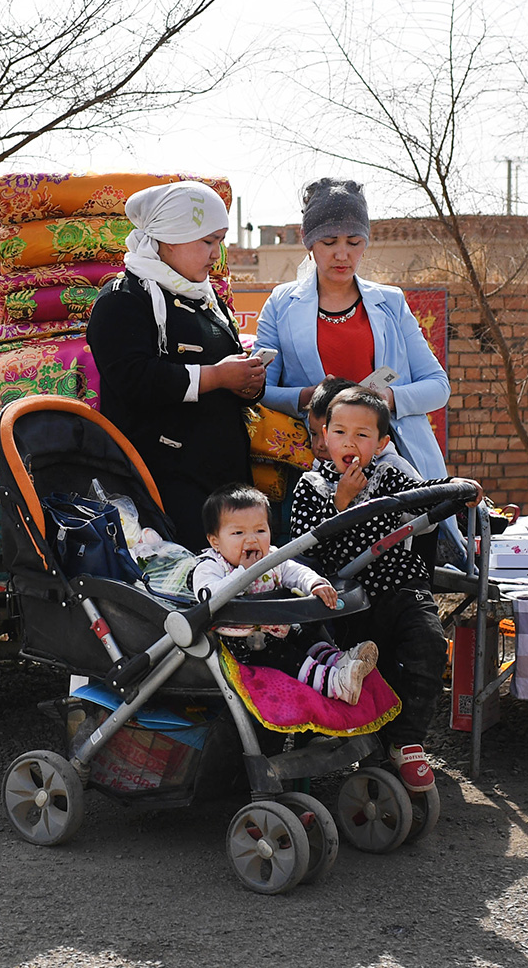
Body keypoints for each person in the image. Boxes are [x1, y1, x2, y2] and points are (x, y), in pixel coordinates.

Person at [288, 387, 481, 792]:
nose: (349, 443)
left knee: (427, 643)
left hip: (400, 583)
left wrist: (461, 488)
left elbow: (427, 491)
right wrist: (340, 504)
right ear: (324, 437)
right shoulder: (311, 485)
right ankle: (320, 745)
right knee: (345, 667)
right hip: (342, 600)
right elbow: (301, 548)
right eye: (339, 432)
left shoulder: (390, 473)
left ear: (381, 443)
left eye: (362, 435)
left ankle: (406, 741)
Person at [88, 181, 262, 544]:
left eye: (219, 241)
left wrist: (248, 383)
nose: (216, 255)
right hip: (165, 486)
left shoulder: (206, 299)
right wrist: (215, 377)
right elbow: (133, 379)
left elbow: (223, 371)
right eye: (207, 241)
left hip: (223, 483)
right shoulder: (124, 300)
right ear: (169, 237)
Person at [256, 178, 451, 482]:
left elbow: (438, 386)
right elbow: (260, 389)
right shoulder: (281, 304)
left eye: (354, 242)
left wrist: (384, 398)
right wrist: (307, 397)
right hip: (315, 469)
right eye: (329, 242)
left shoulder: (391, 303)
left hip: (394, 465)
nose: (342, 254)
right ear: (307, 240)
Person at [192, 484, 378, 704]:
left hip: (278, 629)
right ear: (215, 541)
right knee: (288, 658)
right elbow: (209, 597)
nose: (251, 539)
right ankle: (336, 684)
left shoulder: (271, 556)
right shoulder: (211, 565)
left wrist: (315, 583)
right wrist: (245, 573)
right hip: (242, 645)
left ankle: (338, 661)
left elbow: (294, 570)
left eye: (260, 531)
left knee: (306, 636)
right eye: (238, 533)